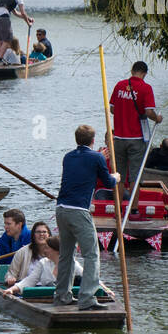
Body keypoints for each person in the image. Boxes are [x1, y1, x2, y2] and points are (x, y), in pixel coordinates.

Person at [56, 126, 119, 310]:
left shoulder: (68, 156)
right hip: (78, 211)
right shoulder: (97, 157)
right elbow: (107, 182)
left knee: (66, 255)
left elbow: (85, 169)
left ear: (77, 139)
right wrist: (116, 176)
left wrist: (100, 159)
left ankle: (62, 296)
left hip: (61, 209)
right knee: (92, 254)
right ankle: (87, 298)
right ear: (93, 140)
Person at [109, 60, 163, 187]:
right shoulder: (146, 88)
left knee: (118, 176)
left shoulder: (119, 85)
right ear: (144, 74)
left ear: (132, 71)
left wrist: (124, 111)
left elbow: (112, 109)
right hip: (136, 138)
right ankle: (134, 207)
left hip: (118, 137)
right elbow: (149, 112)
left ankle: (119, 206)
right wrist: (157, 119)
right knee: (135, 176)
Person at [9, 237, 85, 296]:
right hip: (47, 298)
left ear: (56, 250)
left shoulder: (72, 263)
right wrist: (12, 289)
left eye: (47, 248)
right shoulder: (43, 263)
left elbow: (87, 277)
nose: (44, 250)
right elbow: (29, 281)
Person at [5, 220, 52, 286]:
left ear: (49, 235)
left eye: (44, 232)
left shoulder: (56, 251)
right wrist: (10, 278)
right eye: (38, 232)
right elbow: (11, 273)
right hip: (27, 289)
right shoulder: (22, 252)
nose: (41, 234)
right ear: (33, 235)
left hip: (51, 289)